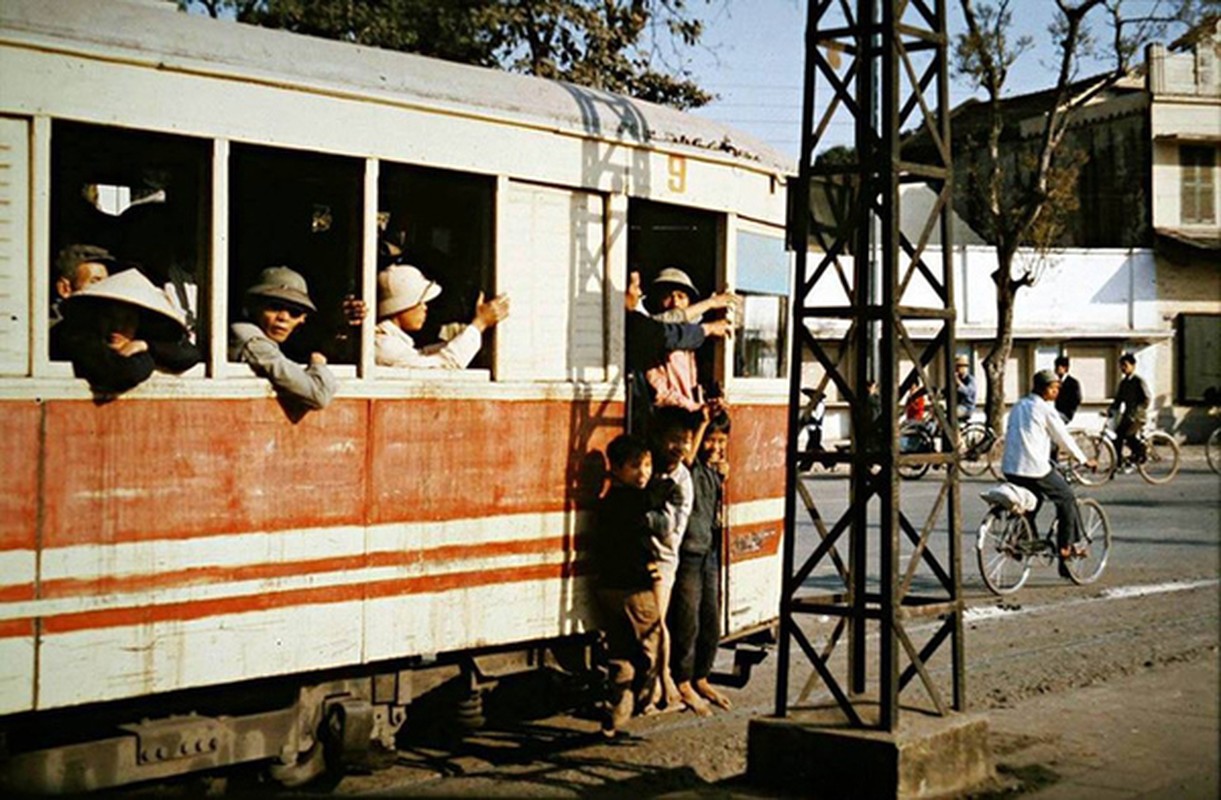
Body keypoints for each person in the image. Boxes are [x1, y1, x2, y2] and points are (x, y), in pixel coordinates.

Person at [592, 434, 672, 737]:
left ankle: (618, 711)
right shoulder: (630, 500)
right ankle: (643, 697)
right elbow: (662, 491)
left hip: (607, 588)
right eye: (636, 466)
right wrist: (672, 469)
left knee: (621, 652)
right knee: (654, 648)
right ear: (617, 469)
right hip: (634, 589)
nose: (644, 472)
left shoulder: (608, 502)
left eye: (648, 465)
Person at [668, 408, 733, 717]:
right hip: (689, 553)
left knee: (710, 620)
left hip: (708, 551)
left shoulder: (713, 470)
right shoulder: (689, 468)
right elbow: (689, 456)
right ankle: (682, 681)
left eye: (721, 441)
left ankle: (701, 676)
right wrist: (703, 421)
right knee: (686, 620)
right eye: (710, 440)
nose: (715, 447)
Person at [1001, 369, 1096, 575]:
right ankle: (1066, 547)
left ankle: (1021, 540)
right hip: (1034, 468)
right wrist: (1083, 459)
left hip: (1010, 467)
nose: (1056, 392)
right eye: (1053, 388)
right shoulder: (1045, 409)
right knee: (1066, 497)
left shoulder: (1018, 406)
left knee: (1033, 501)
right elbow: (1063, 438)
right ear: (1044, 389)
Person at [50, 268, 201, 394]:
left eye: (128, 320)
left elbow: (190, 354)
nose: (118, 326)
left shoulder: (137, 339)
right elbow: (125, 373)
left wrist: (144, 345)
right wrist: (146, 357)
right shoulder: (77, 336)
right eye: (110, 317)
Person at [230, 266, 341, 411]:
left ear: (303, 319)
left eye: (294, 312)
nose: (283, 317)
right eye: (275, 307)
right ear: (253, 306)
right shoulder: (252, 340)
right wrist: (318, 366)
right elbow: (318, 396)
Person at [647, 406, 697, 711]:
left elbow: (670, 528)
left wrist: (641, 513)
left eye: (685, 441)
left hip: (663, 559)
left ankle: (663, 679)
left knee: (657, 622)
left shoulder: (682, 480)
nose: (680, 447)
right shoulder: (650, 467)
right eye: (674, 439)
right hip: (641, 556)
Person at [374, 264, 509, 369]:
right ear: (401, 306)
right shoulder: (385, 346)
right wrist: (480, 323)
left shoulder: (391, 342)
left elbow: (421, 355)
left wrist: (473, 334)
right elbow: (442, 366)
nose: (425, 307)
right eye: (420, 302)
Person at [643, 268, 736, 412]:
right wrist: (710, 304)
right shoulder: (651, 334)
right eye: (668, 296)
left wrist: (708, 403)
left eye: (681, 297)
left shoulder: (695, 339)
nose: (675, 302)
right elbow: (661, 394)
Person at [51, 244, 114, 326]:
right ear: (65, 289)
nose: (104, 289)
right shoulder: (46, 332)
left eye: (106, 282)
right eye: (95, 282)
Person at [1107, 353, 1150, 469]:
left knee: (1128, 435)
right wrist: (1110, 410)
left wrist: (1138, 411)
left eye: (1125, 365)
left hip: (1138, 416)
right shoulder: (1123, 383)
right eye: (1121, 366)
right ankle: (1117, 462)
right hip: (1127, 415)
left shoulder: (1138, 381)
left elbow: (1147, 398)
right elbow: (1118, 400)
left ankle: (1142, 453)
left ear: (1133, 365)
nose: (1123, 368)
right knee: (1117, 436)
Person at [1054, 356, 1082, 424]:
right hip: (1054, 412)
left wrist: (1069, 410)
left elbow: (1077, 399)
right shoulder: (1054, 381)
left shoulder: (1073, 383)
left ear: (1065, 368)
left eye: (1058, 367)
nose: (1056, 369)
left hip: (1065, 413)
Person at [953, 355, 977, 423]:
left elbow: (967, 392)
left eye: (959, 366)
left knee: (951, 414)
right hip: (956, 405)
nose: (957, 369)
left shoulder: (970, 379)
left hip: (966, 407)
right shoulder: (957, 379)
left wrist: (958, 382)